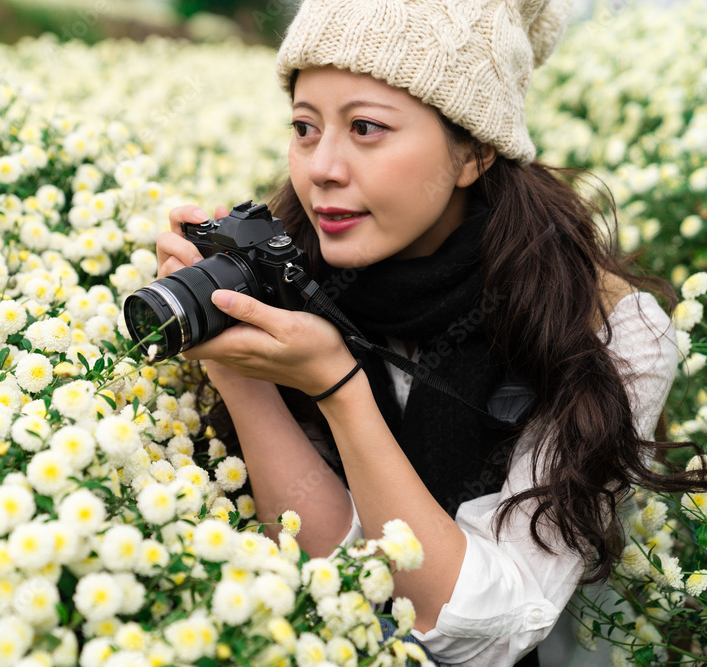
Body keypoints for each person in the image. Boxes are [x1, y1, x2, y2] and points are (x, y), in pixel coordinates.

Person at [155, 1, 703, 665]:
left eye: (365, 127)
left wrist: (339, 386)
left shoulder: (609, 325)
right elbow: (332, 574)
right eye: (304, 127)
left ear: (473, 149)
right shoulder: (287, 271)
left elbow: (485, 629)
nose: (322, 167)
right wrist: (237, 366)